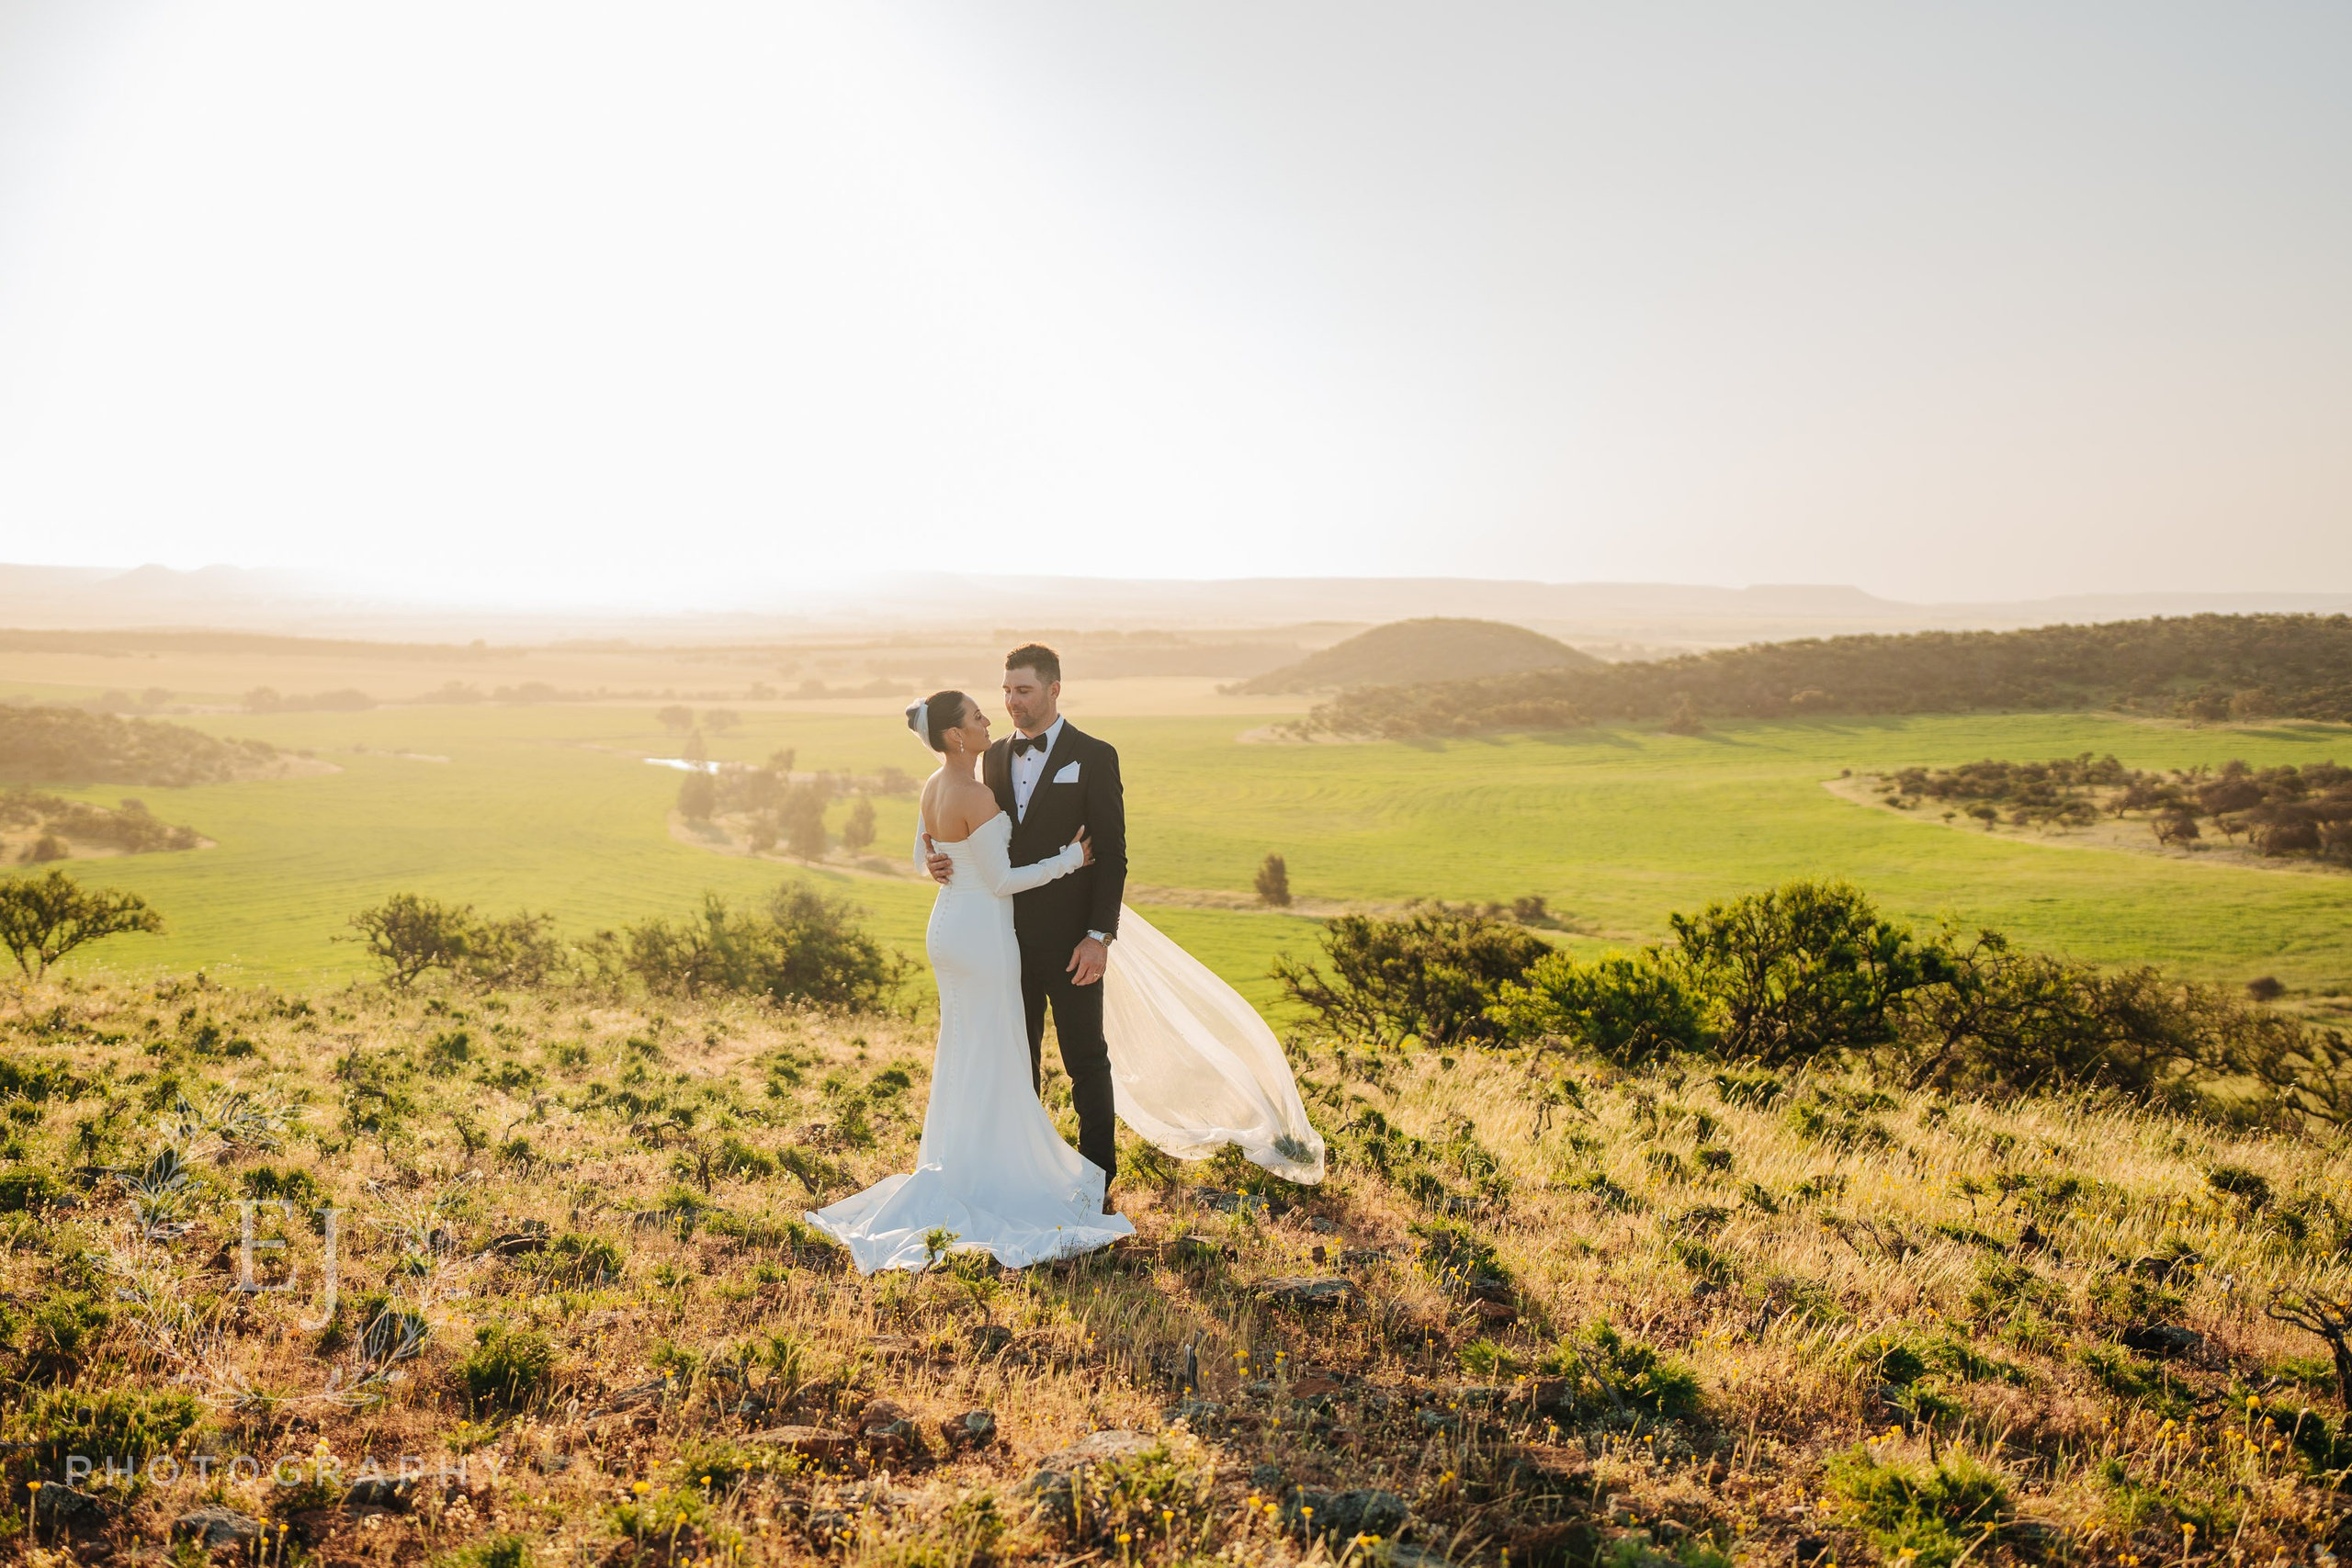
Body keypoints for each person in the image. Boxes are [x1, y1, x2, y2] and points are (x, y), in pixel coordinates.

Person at [802, 689, 1136, 1272]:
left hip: (948, 929)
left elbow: (921, 849)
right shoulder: (977, 790)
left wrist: (929, 865)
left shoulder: (935, 784)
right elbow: (1003, 879)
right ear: (957, 735)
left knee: (966, 1050)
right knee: (996, 1051)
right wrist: (1069, 860)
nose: (992, 718)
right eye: (979, 715)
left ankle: (964, 1163)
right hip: (983, 934)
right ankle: (994, 1177)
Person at [922, 644, 1127, 1197]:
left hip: (1070, 943)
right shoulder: (988, 759)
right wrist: (933, 858)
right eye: (1006, 690)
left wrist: (1098, 936)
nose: (1011, 702)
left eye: (1024, 690)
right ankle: (1022, 1177)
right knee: (1016, 1062)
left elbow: (1111, 855)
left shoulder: (1096, 755)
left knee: (1086, 1058)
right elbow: (957, 833)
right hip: (1000, 941)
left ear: (1054, 689)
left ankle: (1099, 1182)